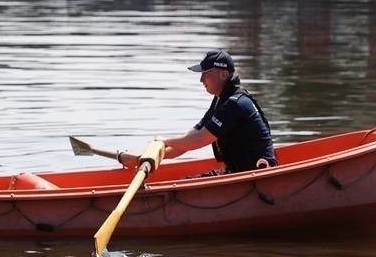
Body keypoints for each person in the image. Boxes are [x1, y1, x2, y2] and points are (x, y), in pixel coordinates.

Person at [118, 49, 277, 174]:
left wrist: (163, 141)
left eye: (205, 74)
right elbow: (189, 139)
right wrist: (145, 156)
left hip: (255, 175)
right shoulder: (220, 100)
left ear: (223, 74)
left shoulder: (235, 104)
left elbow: (197, 141)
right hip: (238, 172)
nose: (201, 80)